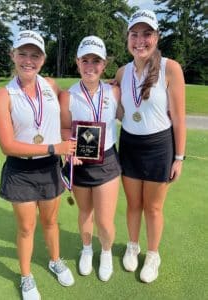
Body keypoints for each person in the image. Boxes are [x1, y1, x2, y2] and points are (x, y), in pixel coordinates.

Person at [0, 30, 77, 300]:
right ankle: (26, 277)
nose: (28, 60)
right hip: (21, 171)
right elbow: (7, 145)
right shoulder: (4, 95)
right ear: (13, 55)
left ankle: (54, 260)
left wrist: (109, 85)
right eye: (23, 54)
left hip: (50, 167)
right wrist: (55, 147)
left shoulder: (51, 86)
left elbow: (72, 104)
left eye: (35, 55)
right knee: (27, 228)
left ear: (43, 59)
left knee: (51, 222)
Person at [115, 10, 186, 283]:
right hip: (130, 144)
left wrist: (179, 157)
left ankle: (153, 254)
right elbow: (122, 111)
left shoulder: (171, 68)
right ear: (128, 38)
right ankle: (133, 246)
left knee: (153, 208)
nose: (140, 40)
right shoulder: (122, 72)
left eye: (147, 34)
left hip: (159, 146)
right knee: (133, 204)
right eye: (134, 34)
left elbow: (178, 116)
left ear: (156, 37)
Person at [59, 35, 122, 282]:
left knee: (105, 221)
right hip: (80, 163)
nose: (90, 66)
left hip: (107, 160)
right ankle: (87, 249)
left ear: (104, 64)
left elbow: (129, 113)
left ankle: (105, 252)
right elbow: (65, 129)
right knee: (85, 213)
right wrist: (69, 150)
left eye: (96, 60)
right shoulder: (69, 96)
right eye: (85, 60)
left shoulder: (114, 92)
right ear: (77, 62)